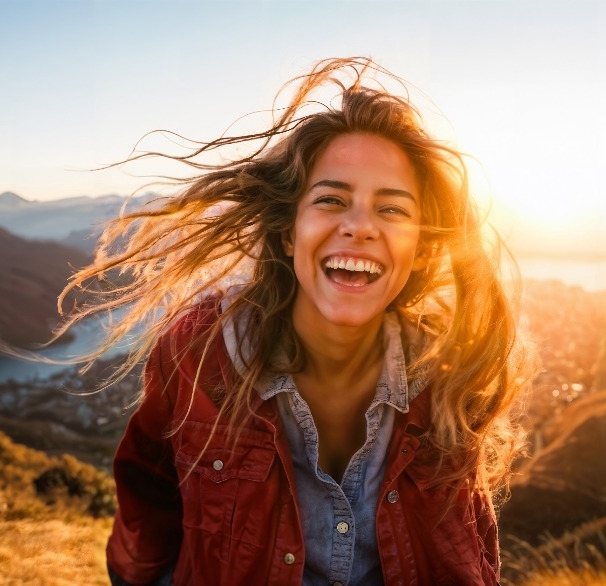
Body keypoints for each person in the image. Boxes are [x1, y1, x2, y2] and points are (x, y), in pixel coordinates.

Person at [61, 57, 536, 585]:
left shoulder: (449, 377)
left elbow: (474, 552)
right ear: (290, 232)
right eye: (332, 199)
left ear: (423, 249)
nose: (359, 227)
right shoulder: (200, 355)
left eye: (392, 209)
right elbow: (146, 502)